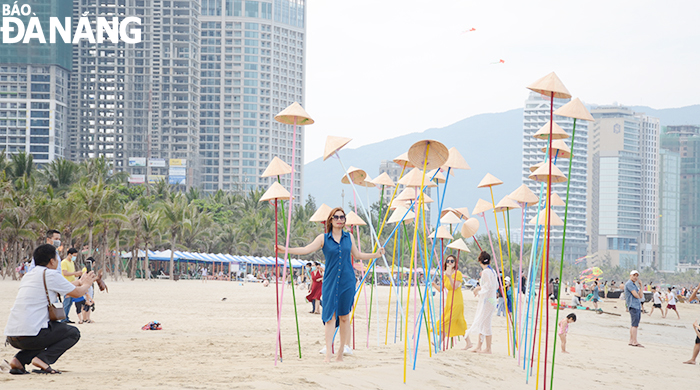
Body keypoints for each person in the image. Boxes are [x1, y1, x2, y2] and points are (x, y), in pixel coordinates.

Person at [277, 207, 384, 363]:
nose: (340, 220)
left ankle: (341, 352)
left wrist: (376, 255)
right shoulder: (323, 238)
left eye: (343, 217)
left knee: (344, 317)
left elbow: (358, 255)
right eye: (337, 217)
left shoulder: (350, 237)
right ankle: (329, 352)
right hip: (330, 280)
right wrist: (286, 250)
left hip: (347, 281)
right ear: (331, 220)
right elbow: (306, 249)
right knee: (329, 317)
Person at [4, 244, 98, 375]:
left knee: (49, 333)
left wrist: (81, 281)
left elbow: (64, 288)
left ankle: (18, 361)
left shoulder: (29, 275)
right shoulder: (50, 275)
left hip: (13, 335)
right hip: (31, 335)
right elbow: (77, 293)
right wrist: (87, 284)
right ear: (52, 261)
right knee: (72, 333)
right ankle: (43, 359)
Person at [432, 255, 472, 349]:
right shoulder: (445, 274)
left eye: (452, 261)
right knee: (459, 322)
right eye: (448, 261)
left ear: (455, 263)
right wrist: (433, 284)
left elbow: (454, 286)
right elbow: (440, 289)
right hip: (449, 301)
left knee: (447, 321)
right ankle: (469, 343)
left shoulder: (458, 273)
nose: (449, 262)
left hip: (457, 301)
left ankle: (438, 343)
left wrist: (450, 277)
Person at [463, 251, 498, 354]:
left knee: (485, 323)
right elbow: (494, 286)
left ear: (480, 261)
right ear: (490, 261)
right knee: (482, 322)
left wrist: (478, 288)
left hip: (488, 300)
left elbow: (489, 286)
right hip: (491, 299)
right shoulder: (492, 271)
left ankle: (487, 348)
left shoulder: (487, 272)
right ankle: (479, 346)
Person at [60, 248, 81, 323]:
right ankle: (63, 318)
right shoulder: (64, 262)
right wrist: (75, 273)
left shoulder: (71, 262)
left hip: (72, 284)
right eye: (74, 255)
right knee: (66, 301)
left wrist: (76, 274)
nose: (75, 257)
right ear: (69, 254)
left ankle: (66, 317)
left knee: (69, 302)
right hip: (66, 284)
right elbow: (65, 273)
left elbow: (71, 273)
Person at [625, 270, 644, 347]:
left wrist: (641, 286)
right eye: (634, 275)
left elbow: (641, 295)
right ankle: (634, 341)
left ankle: (631, 340)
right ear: (630, 276)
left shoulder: (634, 285)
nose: (635, 277)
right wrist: (638, 295)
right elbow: (636, 295)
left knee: (633, 324)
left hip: (636, 305)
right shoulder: (629, 284)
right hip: (633, 305)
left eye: (637, 276)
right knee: (635, 325)